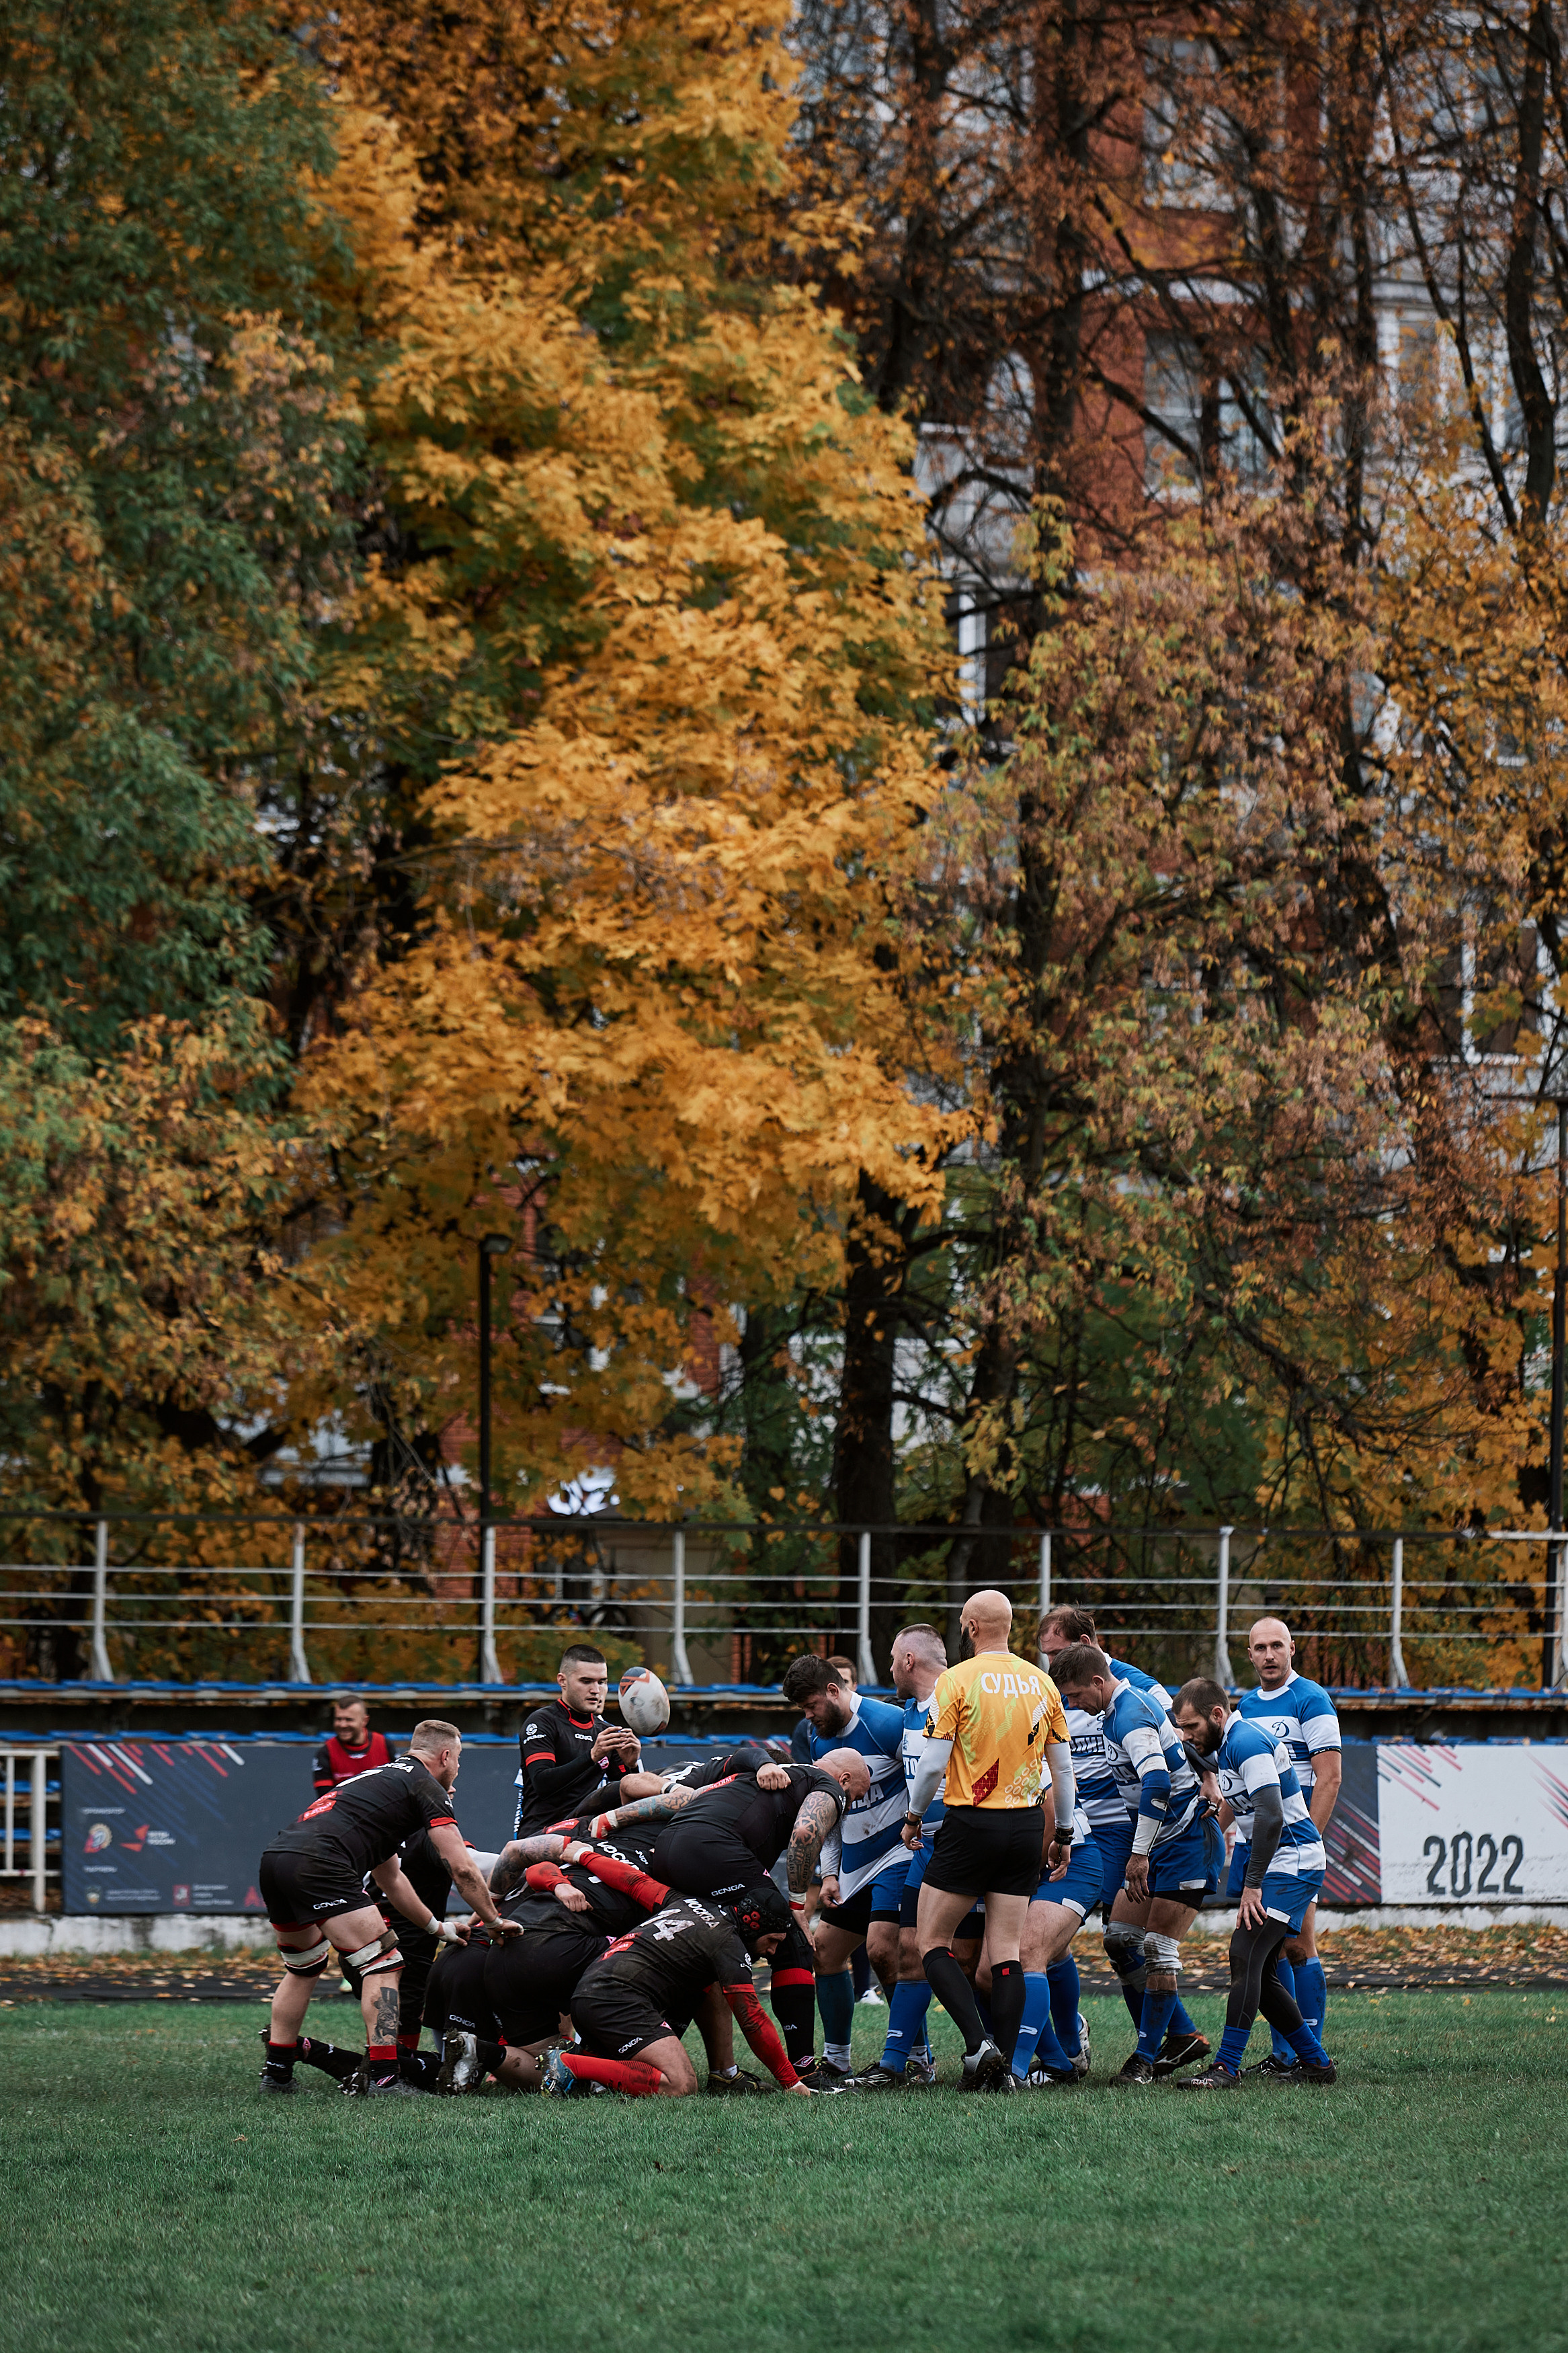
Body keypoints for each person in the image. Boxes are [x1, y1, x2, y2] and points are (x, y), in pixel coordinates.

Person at [257, 1720, 518, 2096]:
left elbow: (391, 1878)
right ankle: (383, 2078)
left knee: (304, 1968)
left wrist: (438, 1929)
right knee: (384, 1963)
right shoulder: (425, 1785)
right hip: (321, 1863)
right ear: (446, 1756)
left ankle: (277, 2073)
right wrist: (493, 1921)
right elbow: (461, 1867)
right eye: (459, 1759)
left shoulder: (379, 1780)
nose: (458, 1768)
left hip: (277, 1859)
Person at [901, 1590, 1076, 2093]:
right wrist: (1062, 1832)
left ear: (973, 1627)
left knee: (931, 1940)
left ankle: (979, 2046)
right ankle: (1005, 2075)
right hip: (1024, 1827)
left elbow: (933, 1763)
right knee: (1005, 1953)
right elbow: (1061, 1769)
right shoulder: (1042, 1682)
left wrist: (913, 1818)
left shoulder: (955, 1680)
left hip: (971, 1823)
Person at [1038, 1606, 1207, 2077]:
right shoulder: (1098, 1702)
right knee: (1119, 1940)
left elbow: (1167, 1764)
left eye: (1059, 1654)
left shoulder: (1134, 1700)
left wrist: (1139, 1850)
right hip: (1121, 1832)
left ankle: (1115, 2053)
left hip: (1150, 1835)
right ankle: (1175, 2037)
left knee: (1145, 1946)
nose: (1068, 1702)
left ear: (1089, 1651)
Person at [1170, 1678, 1335, 2087]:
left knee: (1245, 1956)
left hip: (1294, 1862)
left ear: (1217, 1715)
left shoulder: (1246, 1742)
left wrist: (1252, 1883)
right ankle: (1316, 2063)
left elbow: (1272, 1817)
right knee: (1259, 1971)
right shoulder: (1225, 1744)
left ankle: (1226, 2067)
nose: (1187, 1737)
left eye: (1191, 1727)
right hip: (1283, 1861)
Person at [434, 1835, 675, 2091]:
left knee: (544, 2064)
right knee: (633, 1966)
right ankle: (598, 2067)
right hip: (531, 1948)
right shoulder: (648, 1875)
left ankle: (478, 2052)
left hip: (488, 1951)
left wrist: (487, 1915)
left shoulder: (577, 1852)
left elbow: (522, 1859)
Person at [844, 1622, 971, 2089]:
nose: (890, 1668)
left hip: (966, 1845)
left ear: (909, 1661)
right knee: (905, 1948)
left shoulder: (958, 1700)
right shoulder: (910, 1713)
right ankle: (897, 2063)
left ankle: (1042, 2054)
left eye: (894, 1659)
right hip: (927, 1849)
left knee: (986, 1964)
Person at [546, 1884, 813, 2097]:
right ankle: (571, 2063)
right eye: (773, 1941)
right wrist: (790, 2082)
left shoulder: (687, 1902)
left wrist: (582, 1855)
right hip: (615, 2001)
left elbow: (637, 1882)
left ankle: (724, 2073)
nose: (772, 1952)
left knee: (715, 1984)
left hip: (592, 1993)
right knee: (681, 2084)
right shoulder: (727, 1944)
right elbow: (752, 2020)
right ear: (756, 1927)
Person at [780, 1653, 908, 2079]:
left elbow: (923, 1786)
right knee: (826, 1952)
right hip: (854, 1866)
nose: (809, 1716)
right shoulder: (820, 1737)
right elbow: (829, 1813)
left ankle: (914, 2059)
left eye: (812, 1705)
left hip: (898, 1855)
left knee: (884, 1952)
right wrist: (831, 1872)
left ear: (834, 1691)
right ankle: (837, 2060)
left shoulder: (888, 1723)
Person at [1235, 1616, 1342, 2075]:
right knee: (1269, 1952)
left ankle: (1307, 2051)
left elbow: (1329, 1777)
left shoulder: (1310, 1698)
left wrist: (1306, 1845)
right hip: (1259, 1843)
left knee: (1299, 1945)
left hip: (1296, 1846)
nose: (1268, 1655)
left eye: (1276, 1646)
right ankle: (1285, 2054)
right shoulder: (1243, 1706)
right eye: (1259, 1648)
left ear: (1292, 1649)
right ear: (1249, 1655)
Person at [513, 1643, 642, 1838]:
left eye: (602, 1682)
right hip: (541, 1836)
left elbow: (625, 1800)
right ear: (562, 1680)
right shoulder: (542, 1722)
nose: (596, 1690)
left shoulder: (606, 1732)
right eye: (586, 1681)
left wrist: (631, 1766)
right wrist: (592, 1756)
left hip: (584, 1835)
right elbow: (542, 1783)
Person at [311, 1697, 390, 1795]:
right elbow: (325, 1800)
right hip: (343, 1809)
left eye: (349, 1720)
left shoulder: (384, 1745)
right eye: (338, 1719)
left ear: (365, 1721)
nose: (342, 1725)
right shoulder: (326, 1752)